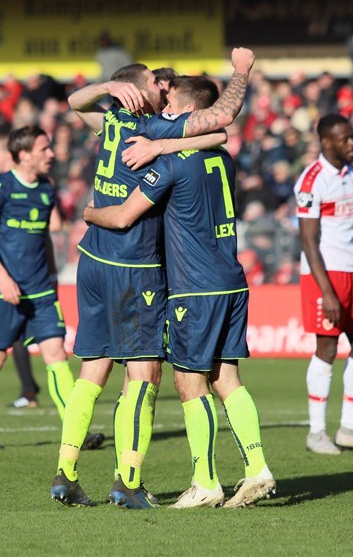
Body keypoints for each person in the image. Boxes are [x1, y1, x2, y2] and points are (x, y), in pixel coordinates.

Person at [50, 48, 256, 508]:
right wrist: (240, 72)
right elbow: (222, 121)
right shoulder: (153, 124)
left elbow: (72, 103)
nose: (164, 89)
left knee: (92, 369)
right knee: (144, 373)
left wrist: (106, 88)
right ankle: (129, 482)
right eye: (155, 83)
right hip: (133, 264)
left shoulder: (113, 122)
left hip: (91, 260)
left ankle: (65, 472)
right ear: (137, 91)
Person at [0, 125, 101, 450]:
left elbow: (43, 238)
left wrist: (53, 279)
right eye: (44, 149)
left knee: (56, 355)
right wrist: (1, 276)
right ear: (23, 154)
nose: (51, 154)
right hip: (4, 289)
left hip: (41, 289)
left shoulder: (45, 189)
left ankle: (75, 431)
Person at [294, 113, 353, 455]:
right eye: (345, 138)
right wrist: (327, 292)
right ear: (327, 142)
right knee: (327, 348)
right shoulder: (311, 181)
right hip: (324, 275)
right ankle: (316, 432)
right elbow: (308, 241)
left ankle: (350, 428)